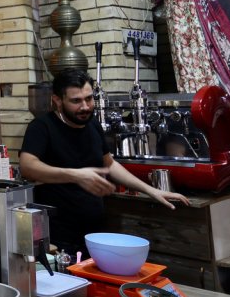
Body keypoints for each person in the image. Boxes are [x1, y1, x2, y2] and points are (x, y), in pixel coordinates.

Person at [19, 69, 190, 255]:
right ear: (58, 101)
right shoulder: (42, 127)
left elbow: (109, 164)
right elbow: (28, 167)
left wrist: (151, 190)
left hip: (94, 234)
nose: (85, 106)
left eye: (89, 99)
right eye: (76, 101)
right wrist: (75, 175)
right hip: (58, 237)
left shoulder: (92, 124)